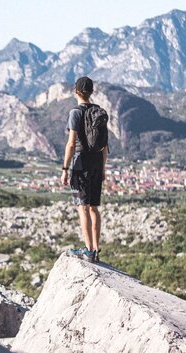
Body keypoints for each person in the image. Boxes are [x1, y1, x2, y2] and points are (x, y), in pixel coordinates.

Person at [60, 76, 108, 263]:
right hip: (97, 162)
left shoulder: (76, 113)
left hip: (80, 163)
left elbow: (71, 144)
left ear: (75, 91)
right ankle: (95, 249)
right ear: (92, 91)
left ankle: (88, 250)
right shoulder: (99, 112)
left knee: (83, 208)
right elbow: (105, 146)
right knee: (94, 207)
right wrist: (103, 168)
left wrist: (65, 168)